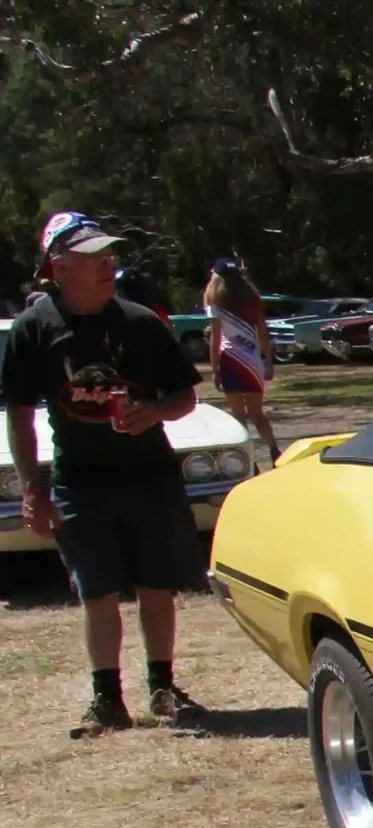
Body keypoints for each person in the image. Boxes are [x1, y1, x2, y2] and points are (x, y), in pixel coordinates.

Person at [2, 213, 208, 736]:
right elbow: (19, 415)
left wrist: (153, 411)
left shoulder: (140, 323)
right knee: (97, 594)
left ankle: (163, 688)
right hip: (80, 483)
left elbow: (185, 396)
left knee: (156, 586)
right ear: (60, 268)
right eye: (93, 257)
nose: (107, 264)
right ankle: (107, 700)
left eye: (109, 255)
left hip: (149, 477)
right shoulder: (34, 329)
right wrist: (33, 488)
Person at [205, 257, 280, 461]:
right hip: (253, 360)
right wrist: (268, 362)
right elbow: (263, 332)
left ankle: (245, 458)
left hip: (229, 359)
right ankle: (273, 449)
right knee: (257, 414)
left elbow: (215, 337)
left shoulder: (214, 301)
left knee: (238, 414)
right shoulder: (253, 299)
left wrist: (214, 369)